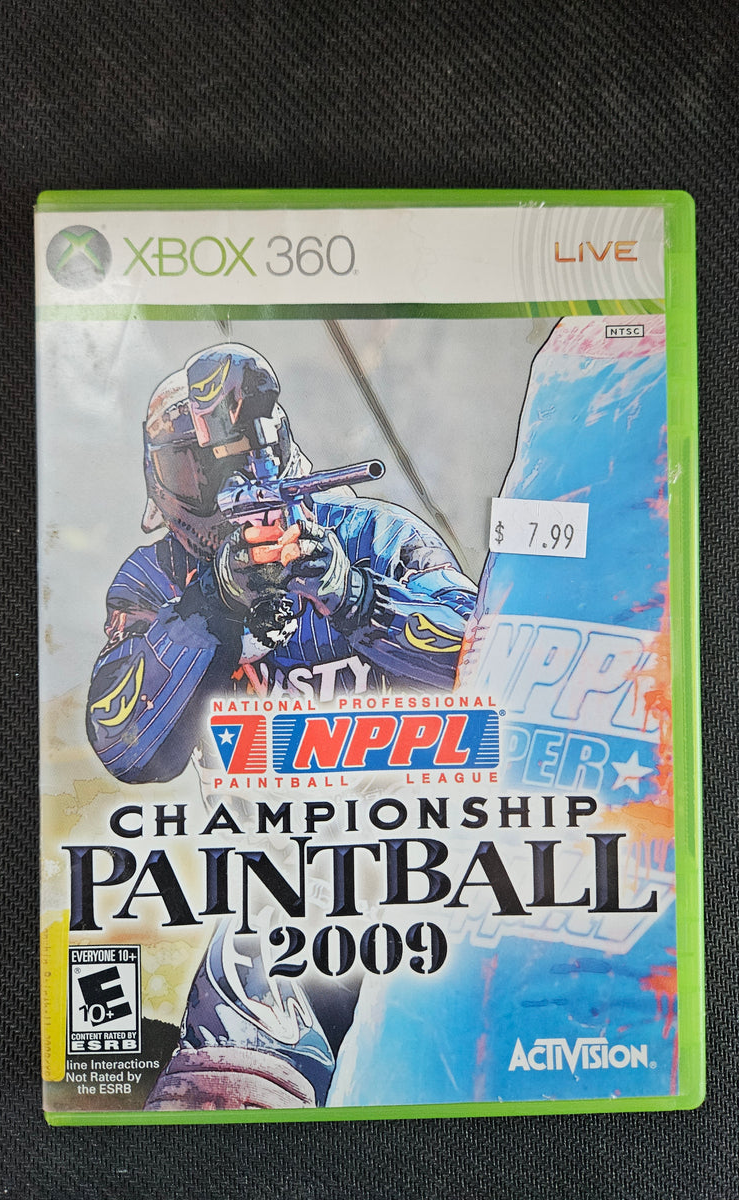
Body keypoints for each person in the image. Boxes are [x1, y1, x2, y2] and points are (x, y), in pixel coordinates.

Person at [85, 342, 477, 1109]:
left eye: (226, 464)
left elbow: (491, 662)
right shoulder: (156, 580)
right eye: (189, 469)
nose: (217, 494)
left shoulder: (376, 540)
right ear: (158, 481)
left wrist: (355, 595)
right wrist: (212, 609)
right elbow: (125, 744)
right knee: (222, 1093)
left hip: (418, 888)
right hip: (269, 911)